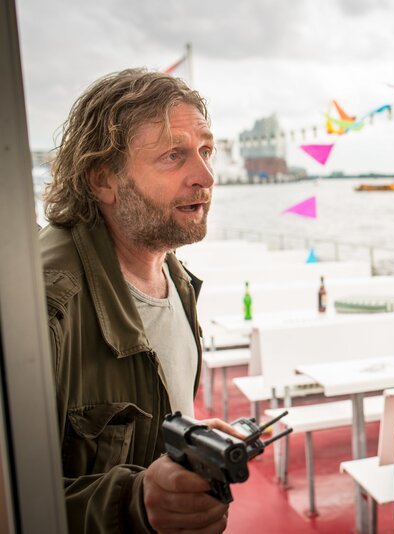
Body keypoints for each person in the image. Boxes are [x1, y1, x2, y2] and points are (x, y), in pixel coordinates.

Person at [41, 69, 237, 532]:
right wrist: (135, 503)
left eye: (206, 151)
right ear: (102, 180)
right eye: (174, 155)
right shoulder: (43, 306)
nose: (206, 176)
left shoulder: (173, 274)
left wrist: (187, 440)